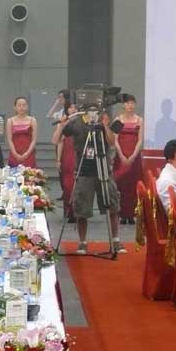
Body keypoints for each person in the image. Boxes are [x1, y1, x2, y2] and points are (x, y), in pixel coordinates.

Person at [59, 105, 123, 255]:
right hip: (84, 170)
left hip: (103, 169)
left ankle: (116, 241)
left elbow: (111, 142)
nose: (93, 112)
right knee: (81, 208)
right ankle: (82, 243)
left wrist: (105, 126)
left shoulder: (103, 120)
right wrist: (62, 124)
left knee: (112, 205)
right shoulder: (76, 123)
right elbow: (58, 138)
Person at [113, 94, 144, 224]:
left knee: (133, 185)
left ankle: (131, 214)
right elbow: (114, 140)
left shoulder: (139, 120)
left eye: (132, 103)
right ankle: (122, 214)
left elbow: (140, 140)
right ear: (123, 105)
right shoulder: (118, 120)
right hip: (121, 157)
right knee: (121, 185)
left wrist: (133, 155)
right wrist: (121, 155)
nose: (130, 106)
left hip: (134, 157)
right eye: (127, 103)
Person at [53, 103, 78, 223]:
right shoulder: (63, 123)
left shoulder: (82, 122)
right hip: (67, 155)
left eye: (75, 107)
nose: (73, 109)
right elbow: (58, 142)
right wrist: (58, 159)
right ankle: (69, 212)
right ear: (67, 110)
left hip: (79, 154)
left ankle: (79, 211)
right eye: (71, 107)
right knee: (68, 185)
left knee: (79, 185)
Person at [6, 96, 38, 168]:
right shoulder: (10, 121)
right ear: (15, 107)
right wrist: (15, 154)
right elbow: (9, 139)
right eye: (19, 105)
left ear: (27, 107)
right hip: (15, 152)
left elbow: (34, 140)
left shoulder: (33, 120)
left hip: (29, 152)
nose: (22, 107)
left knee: (29, 173)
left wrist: (27, 153)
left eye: (24, 105)